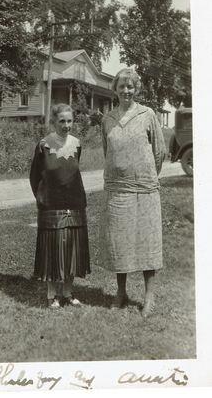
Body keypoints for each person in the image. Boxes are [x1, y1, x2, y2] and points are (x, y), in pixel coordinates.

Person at [100, 68, 166, 317]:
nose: (126, 91)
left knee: (147, 241)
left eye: (130, 87)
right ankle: (121, 292)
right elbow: (108, 152)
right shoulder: (107, 119)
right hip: (118, 190)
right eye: (121, 87)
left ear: (136, 89)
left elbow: (159, 153)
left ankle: (149, 296)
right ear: (115, 90)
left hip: (145, 189)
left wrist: (145, 176)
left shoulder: (147, 115)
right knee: (120, 241)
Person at [30, 103, 90, 309]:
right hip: (51, 207)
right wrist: (43, 198)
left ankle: (68, 293)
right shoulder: (43, 145)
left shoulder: (77, 144)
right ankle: (51, 295)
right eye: (62, 121)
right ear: (54, 121)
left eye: (69, 121)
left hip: (75, 206)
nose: (66, 125)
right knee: (52, 252)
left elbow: (73, 172)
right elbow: (35, 177)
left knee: (71, 251)